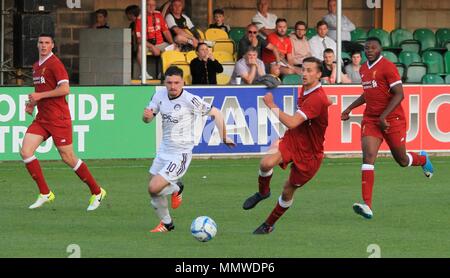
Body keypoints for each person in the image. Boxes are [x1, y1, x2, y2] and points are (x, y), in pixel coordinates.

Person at [341, 37, 434, 220]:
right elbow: (368, 94)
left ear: (380, 49)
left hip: (392, 119)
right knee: (368, 156)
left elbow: (400, 94)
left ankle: (422, 159)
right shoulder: (363, 69)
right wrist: (350, 108)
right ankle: (367, 205)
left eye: (373, 47)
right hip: (372, 119)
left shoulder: (387, 67)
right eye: (367, 48)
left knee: (402, 160)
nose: (369, 50)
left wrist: (384, 116)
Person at [242, 57, 331, 234]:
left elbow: (291, 122)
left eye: (309, 70)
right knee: (265, 163)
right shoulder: (306, 88)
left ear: (319, 75)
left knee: (287, 189)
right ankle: (263, 192)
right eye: (304, 69)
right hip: (293, 140)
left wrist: (271, 104)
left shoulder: (317, 98)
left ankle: (268, 224)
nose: (304, 74)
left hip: (310, 155)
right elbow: (296, 127)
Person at [142, 66, 235, 232]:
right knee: (154, 190)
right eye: (169, 82)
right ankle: (167, 223)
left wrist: (224, 137)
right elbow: (148, 117)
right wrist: (146, 117)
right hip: (164, 151)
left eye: (176, 82)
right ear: (165, 82)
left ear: (183, 82)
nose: (173, 86)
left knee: (154, 187)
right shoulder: (159, 95)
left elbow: (217, 113)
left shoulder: (190, 100)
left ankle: (176, 188)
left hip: (181, 154)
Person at [22, 33, 106, 211]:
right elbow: (41, 89)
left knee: (67, 157)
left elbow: (65, 89)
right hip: (42, 118)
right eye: (41, 43)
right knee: (26, 151)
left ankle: (97, 191)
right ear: (37, 45)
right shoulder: (36, 66)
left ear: (52, 45)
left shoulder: (55, 64)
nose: (43, 45)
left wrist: (39, 96)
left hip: (59, 118)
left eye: (47, 43)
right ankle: (45, 193)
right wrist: (32, 103)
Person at [135, 0, 174, 79]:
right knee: (140, 47)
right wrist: (152, 47)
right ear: (144, 6)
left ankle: (163, 73)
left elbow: (165, 31)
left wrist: (172, 43)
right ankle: (143, 73)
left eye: (153, 5)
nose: (151, 7)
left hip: (160, 43)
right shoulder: (140, 18)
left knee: (174, 48)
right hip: (147, 44)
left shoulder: (158, 15)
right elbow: (139, 39)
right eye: (148, 5)